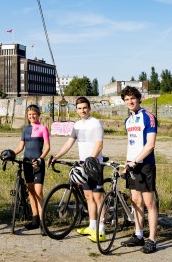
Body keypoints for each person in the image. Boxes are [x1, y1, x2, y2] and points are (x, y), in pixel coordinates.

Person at [50, 96, 105, 243]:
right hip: (83, 164)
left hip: (94, 164)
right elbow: (69, 143)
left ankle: (102, 229)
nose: (82, 110)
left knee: (98, 197)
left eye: (85, 107)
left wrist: (91, 160)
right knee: (88, 197)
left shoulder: (96, 123)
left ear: (89, 108)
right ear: (76, 110)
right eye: (80, 108)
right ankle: (92, 226)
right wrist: (56, 156)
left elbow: (99, 145)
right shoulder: (77, 125)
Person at [120, 86, 158, 254]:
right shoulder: (128, 120)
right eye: (127, 99)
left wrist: (136, 161)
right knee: (135, 201)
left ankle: (152, 239)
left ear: (139, 98)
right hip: (132, 164)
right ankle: (138, 234)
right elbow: (131, 143)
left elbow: (150, 145)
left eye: (132, 98)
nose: (130, 101)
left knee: (149, 203)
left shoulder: (148, 117)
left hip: (145, 165)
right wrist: (127, 163)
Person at [12, 104, 49, 231]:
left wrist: (40, 159)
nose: (32, 116)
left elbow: (47, 147)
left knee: (38, 192)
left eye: (34, 114)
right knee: (31, 191)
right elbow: (20, 147)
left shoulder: (43, 128)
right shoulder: (25, 129)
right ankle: (35, 219)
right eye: (29, 115)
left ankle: (43, 222)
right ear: (27, 116)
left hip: (38, 163)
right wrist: (11, 153)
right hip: (26, 163)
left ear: (38, 115)